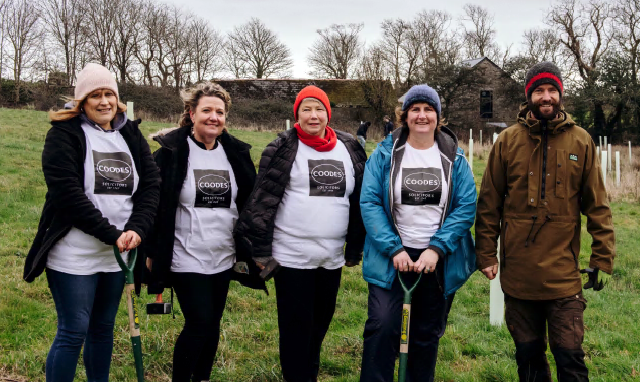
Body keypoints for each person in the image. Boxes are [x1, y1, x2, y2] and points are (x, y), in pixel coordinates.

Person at [475, 61, 616, 382]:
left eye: (552, 89)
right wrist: (485, 254)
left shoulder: (581, 141)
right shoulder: (507, 141)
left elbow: (598, 205)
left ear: (561, 94)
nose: (546, 96)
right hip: (518, 275)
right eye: (539, 90)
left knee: (570, 357)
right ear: (529, 96)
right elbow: (489, 204)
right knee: (528, 358)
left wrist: (602, 258)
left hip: (564, 275)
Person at [23, 63, 161, 382]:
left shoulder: (130, 133)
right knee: (73, 332)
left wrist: (137, 229)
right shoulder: (64, 135)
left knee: (102, 331)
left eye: (109, 94)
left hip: (118, 256)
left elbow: (151, 184)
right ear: (82, 101)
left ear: (118, 98)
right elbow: (67, 195)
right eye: (95, 95)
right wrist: (111, 234)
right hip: (75, 254)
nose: (104, 102)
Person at [234, 85, 367, 382]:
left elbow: (360, 200)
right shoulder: (282, 147)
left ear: (328, 114)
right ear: (297, 114)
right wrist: (260, 250)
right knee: (296, 329)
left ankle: (310, 376)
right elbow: (264, 200)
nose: (313, 115)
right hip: (291, 257)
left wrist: (355, 248)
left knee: (319, 327)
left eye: (319, 109)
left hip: (330, 258)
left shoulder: (349, 147)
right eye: (306, 109)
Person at [145, 82, 264, 382]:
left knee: (212, 325)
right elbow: (153, 206)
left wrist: (256, 246)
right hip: (185, 256)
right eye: (207, 110)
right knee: (199, 322)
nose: (214, 117)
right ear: (191, 113)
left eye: (220, 112)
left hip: (222, 256)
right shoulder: (171, 154)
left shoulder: (235, 154)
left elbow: (251, 202)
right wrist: (150, 252)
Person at [359, 84, 477, 382]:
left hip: (435, 260)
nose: (422, 116)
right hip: (392, 257)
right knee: (383, 325)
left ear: (438, 116)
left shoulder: (455, 159)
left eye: (428, 110)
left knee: (425, 333)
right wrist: (394, 248)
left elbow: (466, 206)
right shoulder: (385, 155)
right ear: (405, 116)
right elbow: (370, 201)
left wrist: (436, 249)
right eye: (415, 109)